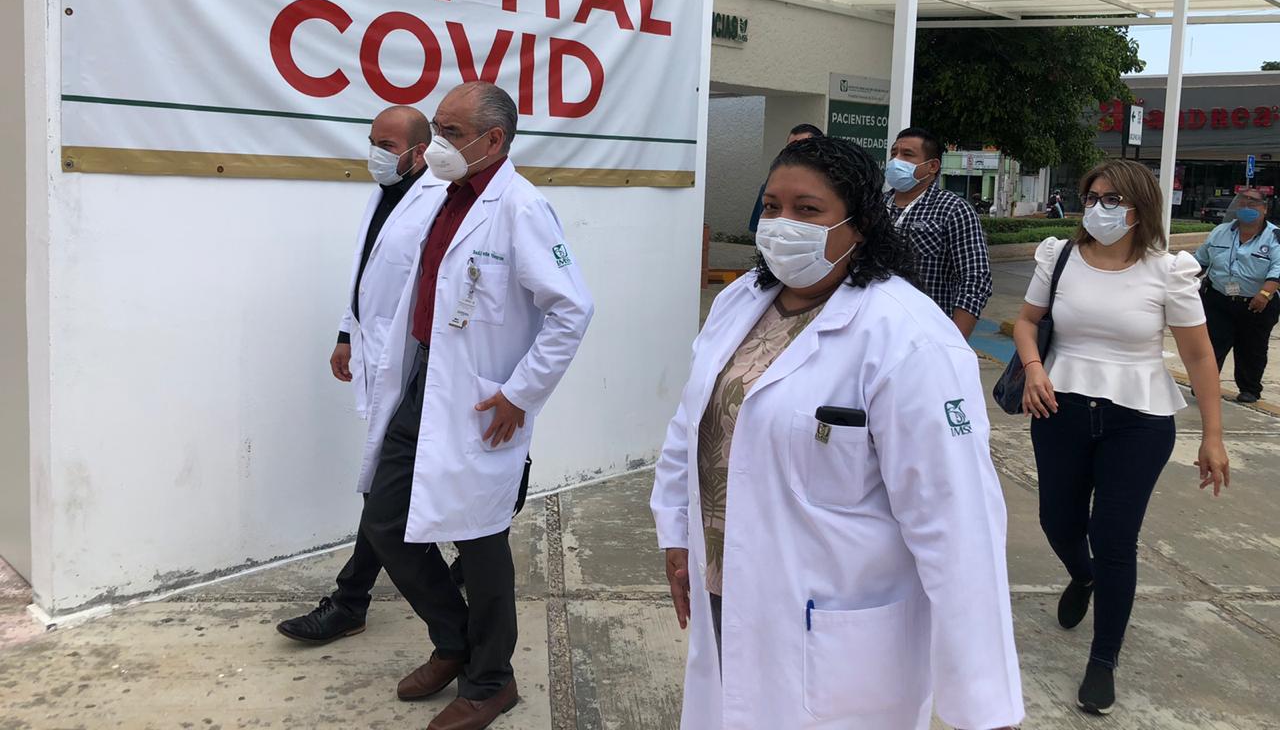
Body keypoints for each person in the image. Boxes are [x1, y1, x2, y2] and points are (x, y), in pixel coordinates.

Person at [651, 136, 1024, 730]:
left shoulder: (908, 335)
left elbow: (956, 520)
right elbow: (691, 423)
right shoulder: (740, 301)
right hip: (725, 589)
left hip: (832, 626)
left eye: (808, 210)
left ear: (861, 225)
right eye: (772, 206)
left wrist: (984, 702)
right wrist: (677, 533)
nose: (783, 224)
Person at [359, 81, 593, 730]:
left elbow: (572, 309)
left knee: (480, 539)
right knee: (385, 520)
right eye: (436, 128)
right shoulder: (444, 195)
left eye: (451, 132)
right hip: (422, 381)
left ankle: (491, 680)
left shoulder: (522, 207)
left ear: (493, 140)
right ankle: (455, 641)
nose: (437, 142)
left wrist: (521, 393)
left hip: (481, 398)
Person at [1013, 159, 1231, 716]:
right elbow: (1026, 320)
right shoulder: (1060, 256)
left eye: (1111, 199)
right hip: (1058, 407)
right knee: (1057, 521)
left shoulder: (1168, 271)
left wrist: (1213, 435)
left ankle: (1102, 659)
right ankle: (1082, 576)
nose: (1098, 208)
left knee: (1114, 538)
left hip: (1138, 420)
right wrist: (1034, 367)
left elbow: (1199, 355)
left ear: (1139, 206)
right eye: (1092, 197)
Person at [277, 105, 445, 645]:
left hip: (415, 366)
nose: (376, 153)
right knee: (395, 482)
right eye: (372, 140)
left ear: (419, 151)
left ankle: (351, 601)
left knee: (384, 487)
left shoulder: (438, 200)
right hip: (378, 356)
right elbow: (365, 275)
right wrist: (346, 334)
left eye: (388, 146)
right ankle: (368, 595)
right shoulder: (383, 196)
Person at [884, 127, 992, 338]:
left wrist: (954, 342)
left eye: (907, 154)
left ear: (932, 166)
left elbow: (975, 279)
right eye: (894, 153)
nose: (896, 161)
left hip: (925, 335)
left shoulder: (953, 209)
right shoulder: (875, 206)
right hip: (875, 330)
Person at [1194, 188, 1280, 404]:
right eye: (1242, 202)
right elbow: (1200, 261)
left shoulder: (1274, 237)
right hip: (1218, 299)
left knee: (1252, 348)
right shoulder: (1220, 232)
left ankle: (1249, 389)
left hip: (1256, 304)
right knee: (1211, 344)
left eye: (1253, 203)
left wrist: (1264, 294)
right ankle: (1204, 385)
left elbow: (1277, 269)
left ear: (1264, 208)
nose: (1247, 206)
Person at [747, 123, 823, 233]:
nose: (796, 154)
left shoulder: (834, 186)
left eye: (804, 147)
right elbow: (758, 227)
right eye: (791, 148)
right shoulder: (771, 186)